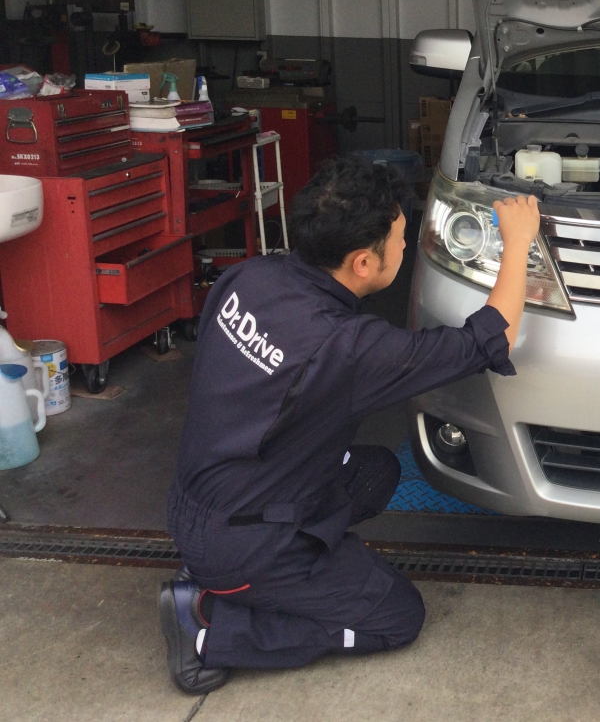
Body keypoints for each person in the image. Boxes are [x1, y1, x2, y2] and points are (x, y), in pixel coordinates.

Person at [158, 155, 541, 694]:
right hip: (245, 545)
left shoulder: (249, 276)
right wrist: (518, 241)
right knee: (398, 617)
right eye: (403, 240)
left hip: (198, 500)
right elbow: (488, 339)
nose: (406, 249)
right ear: (363, 263)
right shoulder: (345, 348)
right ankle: (208, 626)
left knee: (377, 472)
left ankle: (266, 571)